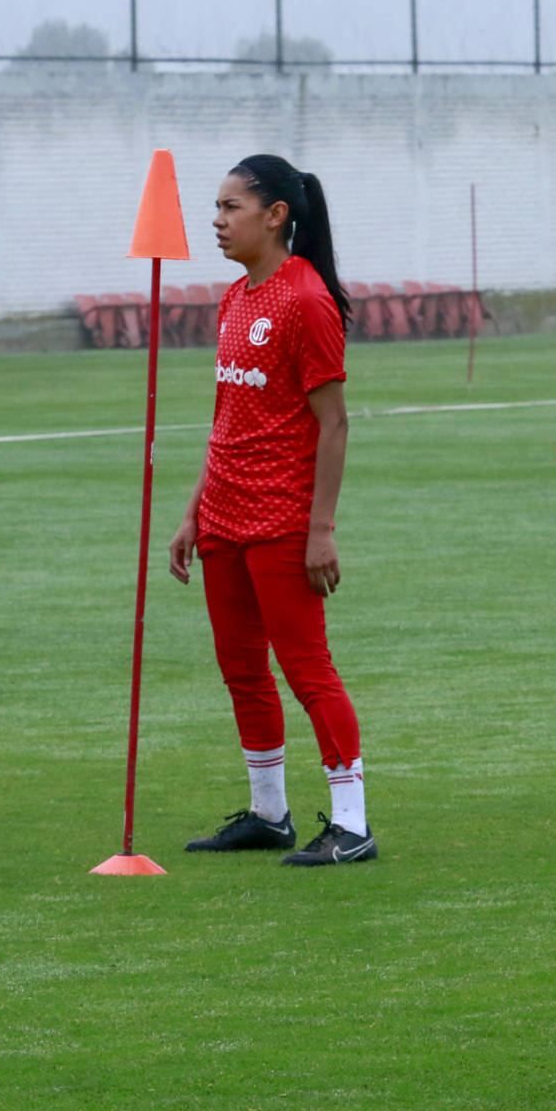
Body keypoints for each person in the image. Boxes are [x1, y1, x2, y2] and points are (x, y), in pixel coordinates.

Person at [168, 153, 376, 867]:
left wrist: (321, 529)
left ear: (275, 215)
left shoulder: (306, 300)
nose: (217, 221)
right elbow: (228, 416)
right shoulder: (235, 298)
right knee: (240, 669)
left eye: (231, 208)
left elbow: (334, 423)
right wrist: (195, 508)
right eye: (217, 208)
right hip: (223, 517)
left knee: (306, 668)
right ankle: (269, 813)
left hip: (281, 520)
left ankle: (351, 824)